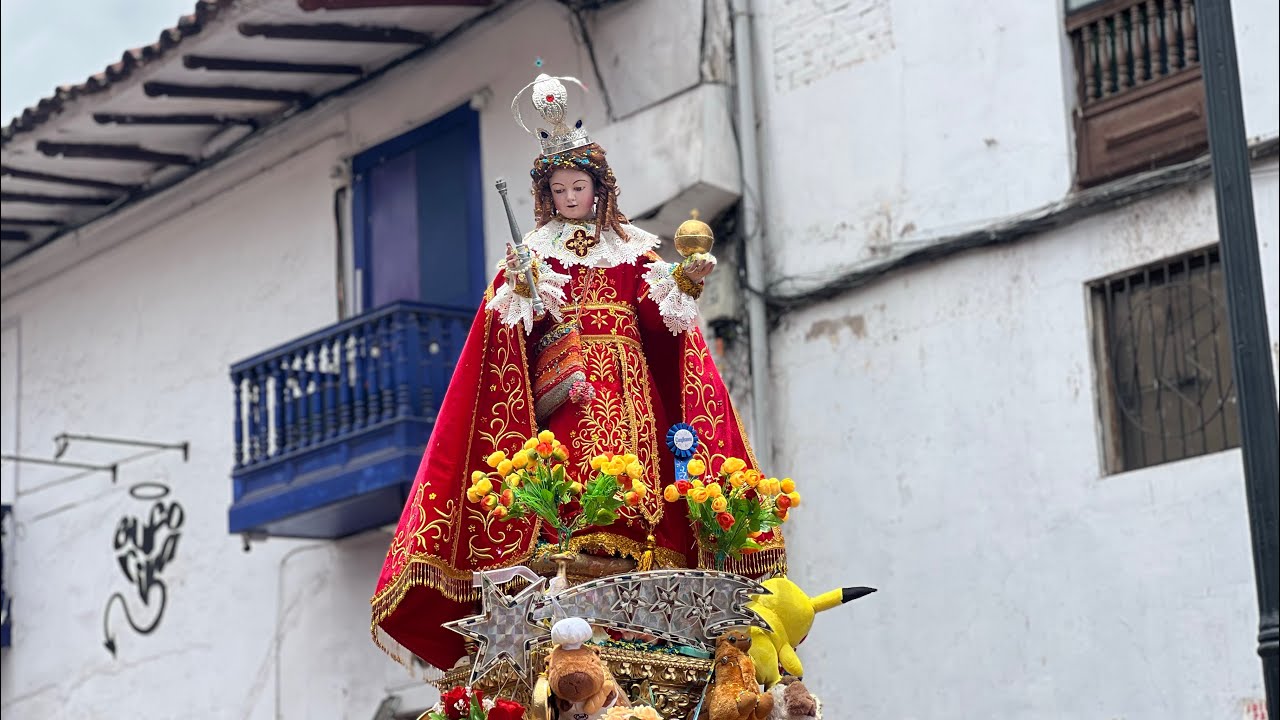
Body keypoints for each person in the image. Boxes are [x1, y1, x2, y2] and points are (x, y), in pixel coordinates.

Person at [370, 74, 785, 671]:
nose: (570, 197)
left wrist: (682, 283)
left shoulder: (633, 249)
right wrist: (520, 293)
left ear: (598, 189)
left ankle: (644, 553)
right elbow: (505, 333)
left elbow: (662, 319)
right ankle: (570, 540)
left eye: (578, 186)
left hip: (632, 385)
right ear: (547, 195)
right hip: (572, 392)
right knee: (574, 470)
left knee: (643, 473)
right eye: (559, 189)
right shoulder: (534, 253)